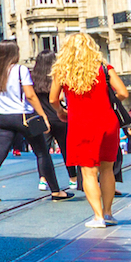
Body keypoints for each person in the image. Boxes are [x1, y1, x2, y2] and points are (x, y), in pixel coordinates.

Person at [51, 34, 129, 227]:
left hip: (81, 124)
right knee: (107, 169)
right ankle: (109, 213)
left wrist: (62, 112)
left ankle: (98, 217)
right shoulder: (104, 68)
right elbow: (123, 93)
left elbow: (53, 99)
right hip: (108, 122)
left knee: (88, 172)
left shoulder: (63, 71)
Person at [0, 40, 70, 201]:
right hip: (23, 117)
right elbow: (30, 95)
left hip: (2, 118)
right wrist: (42, 115)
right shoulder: (20, 70)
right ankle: (56, 190)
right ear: (14, 53)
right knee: (42, 152)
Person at [31, 49, 78, 189]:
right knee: (65, 149)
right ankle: (73, 178)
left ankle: (43, 179)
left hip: (41, 119)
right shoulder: (58, 76)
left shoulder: (33, 77)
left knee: (43, 151)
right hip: (59, 117)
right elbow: (62, 97)